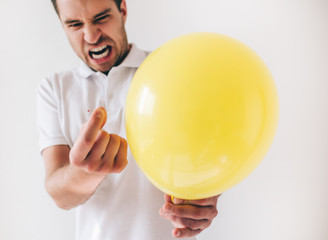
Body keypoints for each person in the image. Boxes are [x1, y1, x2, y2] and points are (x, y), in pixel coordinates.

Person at [37, 0, 220, 239]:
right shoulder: (54, 89)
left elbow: (207, 161)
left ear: (122, 10)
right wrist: (88, 172)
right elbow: (58, 194)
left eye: (101, 18)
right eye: (74, 24)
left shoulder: (171, 70)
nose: (92, 36)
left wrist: (205, 198)